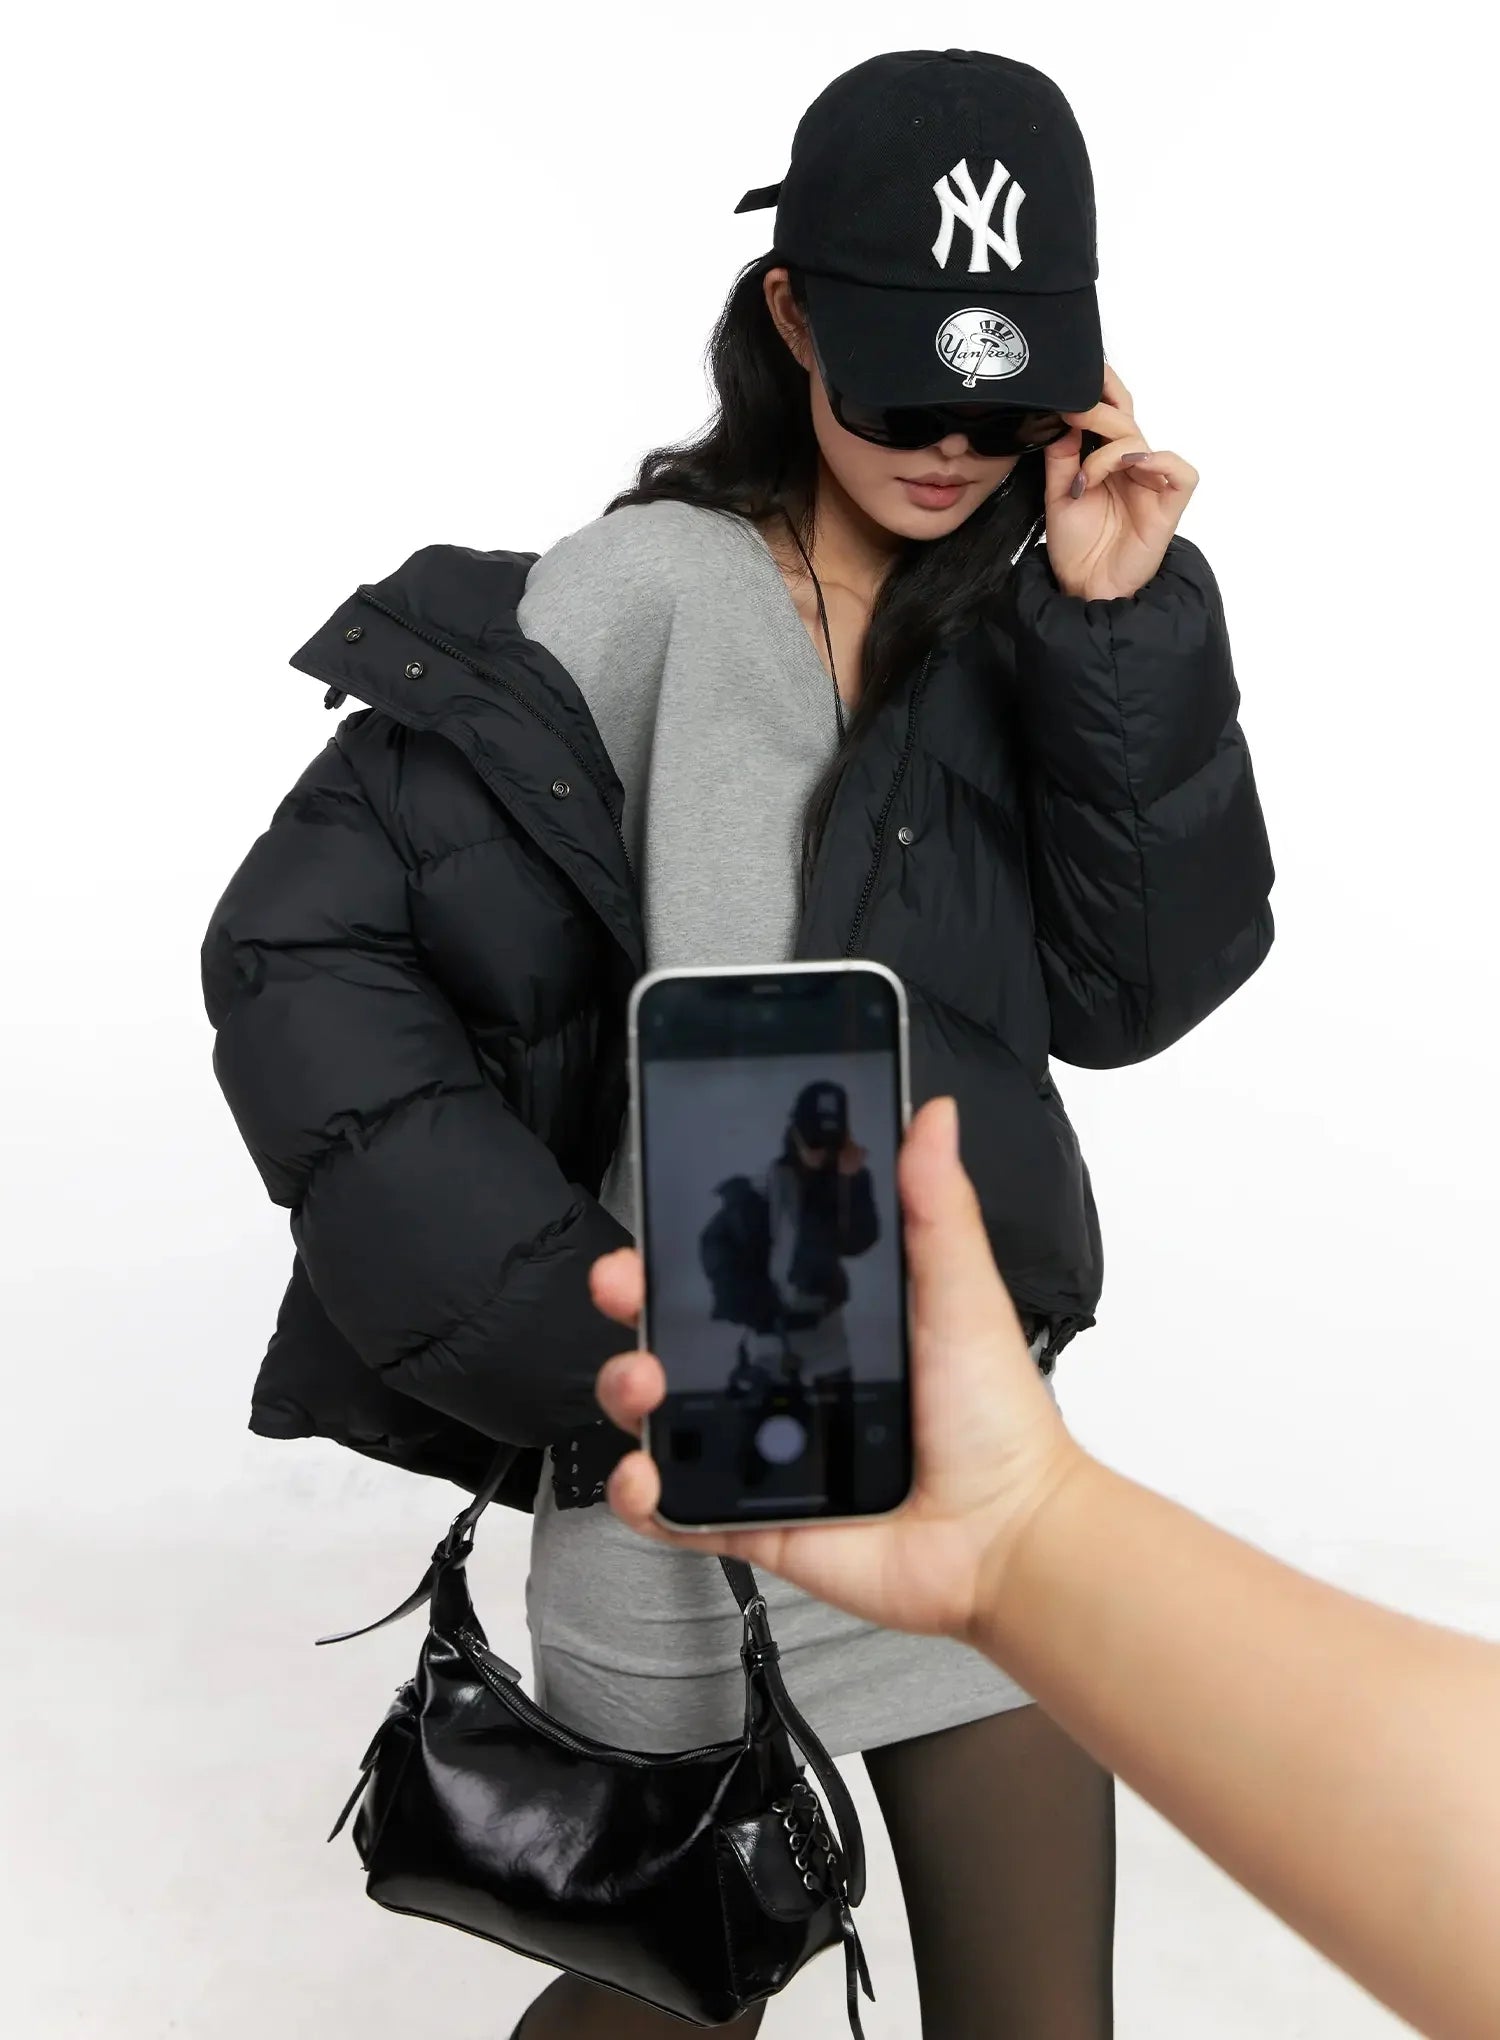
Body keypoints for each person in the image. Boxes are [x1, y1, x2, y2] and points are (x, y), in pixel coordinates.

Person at [199, 48, 1274, 2039]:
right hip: (679, 1469)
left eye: (1004, 399)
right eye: (904, 393)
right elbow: (303, 950)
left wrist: (1119, 631)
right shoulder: (648, 592)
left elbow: (1132, 999)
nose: (954, 449)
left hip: (961, 1437)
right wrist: (565, 1314)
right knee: (669, 2001)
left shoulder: (1038, 617)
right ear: (793, 320)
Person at [594, 1098, 1500, 2040]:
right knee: (674, 1991)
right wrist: (555, 1327)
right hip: (679, 1432)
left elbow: (1114, 1016)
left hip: (943, 1446)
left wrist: (1020, 1533)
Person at [700, 1079, 879, 1387]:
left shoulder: (842, 1182)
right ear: (796, 1133)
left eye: (831, 1143)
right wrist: (749, 1300)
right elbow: (717, 1244)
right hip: (770, 1342)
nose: (822, 1154)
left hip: (827, 1337)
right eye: (814, 1141)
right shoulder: (764, 1186)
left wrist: (851, 1183)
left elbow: (856, 1241)